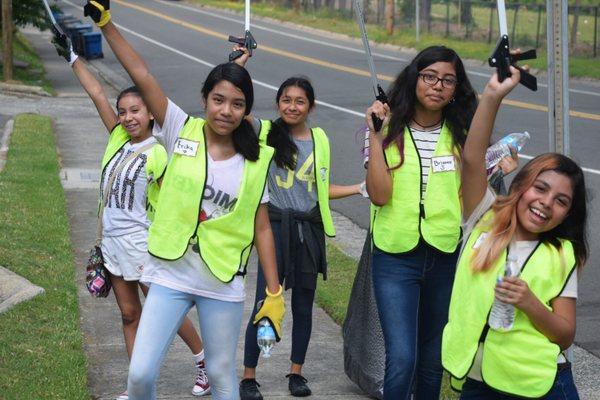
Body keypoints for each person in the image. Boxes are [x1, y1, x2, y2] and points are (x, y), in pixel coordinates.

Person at [83, 2, 285, 399]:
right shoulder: (180, 129)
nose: (226, 110)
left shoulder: (255, 159)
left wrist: (274, 294)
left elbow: (262, 227)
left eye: (237, 104)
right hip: (170, 275)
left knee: (223, 378)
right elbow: (140, 73)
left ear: (246, 110)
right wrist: (107, 23)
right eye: (218, 100)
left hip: (221, 282)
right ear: (205, 99)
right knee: (139, 375)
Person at [50, 31, 209, 399]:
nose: (127, 118)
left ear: (151, 113)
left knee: (163, 311)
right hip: (113, 246)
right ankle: (138, 387)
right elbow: (96, 95)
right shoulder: (119, 139)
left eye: (135, 111)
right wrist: (74, 58)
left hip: (144, 245)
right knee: (128, 315)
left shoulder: (159, 150)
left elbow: (179, 194)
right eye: (123, 113)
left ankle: (204, 362)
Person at [442, 66, 586, 399]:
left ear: (567, 212)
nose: (546, 203)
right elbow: (473, 159)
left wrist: (530, 303)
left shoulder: (561, 253)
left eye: (561, 201)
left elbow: (564, 335)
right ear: (521, 186)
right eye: (541, 189)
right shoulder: (484, 218)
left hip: (539, 386)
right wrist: (492, 96)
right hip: (479, 383)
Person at [231, 67, 365, 399]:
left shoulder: (320, 140)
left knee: (304, 305)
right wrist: (241, 66)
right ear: (277, 104)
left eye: (300, 101)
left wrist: (359, 188)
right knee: (266, 299)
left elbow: (320, 189)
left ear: (311, 106)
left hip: (308, 229)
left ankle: (296, 372)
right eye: (286, 100)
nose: (293, 106)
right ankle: (250, 375)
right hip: (274, 227)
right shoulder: (264, 132)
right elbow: (237, 109)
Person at [365, 46, 478, 399]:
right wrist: (375, 135)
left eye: (448, 80)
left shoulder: (461, 136)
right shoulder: (387, 128)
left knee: (432, 360)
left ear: (456, 89)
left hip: (444, 255)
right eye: (430, 77)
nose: (438, 86)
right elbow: (380, 196)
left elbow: (471, 200)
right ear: (415, 78)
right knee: (402, 358)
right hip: (395, 257)